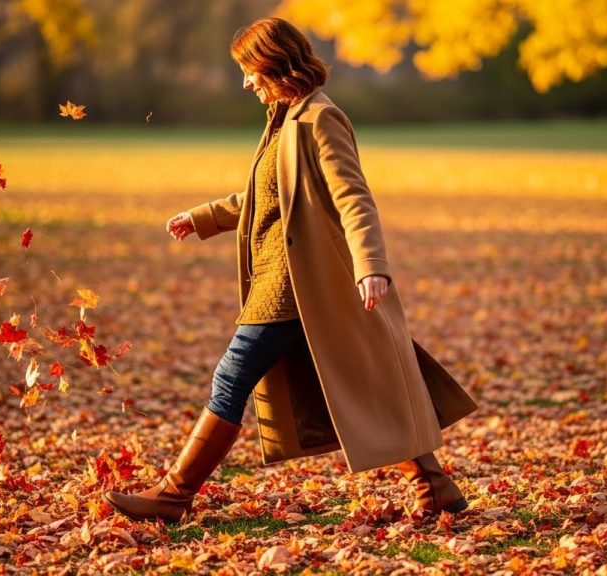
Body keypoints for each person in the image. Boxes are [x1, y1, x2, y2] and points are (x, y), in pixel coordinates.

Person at [102, 17, 478, 523]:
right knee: (364, 382)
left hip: (291, 283)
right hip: (287, 282)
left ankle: (172, 496)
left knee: (231, 379)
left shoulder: (320, 119)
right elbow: (267, 195)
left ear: (274, 63)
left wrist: (371, 265)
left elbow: (353, 198)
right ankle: (434, 486)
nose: (244, 82)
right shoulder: (284, 116)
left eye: (248, 70)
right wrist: (204, 217)